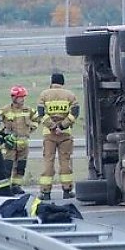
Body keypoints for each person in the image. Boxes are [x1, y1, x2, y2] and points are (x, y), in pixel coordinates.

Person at [37, 72, 79, 200]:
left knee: (48, 161)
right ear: (63, 82)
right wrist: (62, 126)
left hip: (49, 134)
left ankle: (45, 192)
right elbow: (74, 113)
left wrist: (52, 126)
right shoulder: (70, 95)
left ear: (51, 82)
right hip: (65, 134)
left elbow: (41, 114)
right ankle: (67, 191)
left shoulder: (44, 95)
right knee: (65, 161)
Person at [0, 86, 39, 194]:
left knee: (21, 167)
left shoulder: (28, 110)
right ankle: (5, 188)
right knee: (7, 167)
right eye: (20, 97)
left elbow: (37, 118)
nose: (22, 99)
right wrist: (3, 134)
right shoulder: (5, 110)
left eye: (23, 97)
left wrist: (32, 127)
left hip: (23, 145)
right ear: (14, 97)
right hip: (10, 144)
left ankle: (16, 186)